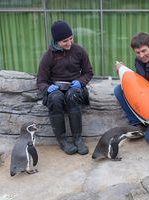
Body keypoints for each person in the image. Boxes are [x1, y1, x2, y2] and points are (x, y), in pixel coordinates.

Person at [37, 20, 93, 155]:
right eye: (65, 41)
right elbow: (41, 81)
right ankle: (62, 141)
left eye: (71, 39)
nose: (69, 43)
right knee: (55, 99)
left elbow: (88, 72)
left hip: (76, 88)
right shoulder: (48, 56)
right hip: (56, 89)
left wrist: (81, 81)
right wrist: (47, 88)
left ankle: (77, 139)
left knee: (72, 96)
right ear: (56, 42)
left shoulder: (79, 51)